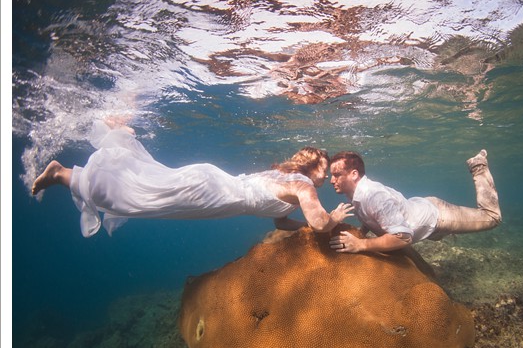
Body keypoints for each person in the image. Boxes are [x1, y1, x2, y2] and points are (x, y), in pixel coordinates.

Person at [31, 118, 353, 237]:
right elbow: (319, 223)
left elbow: (281, 222)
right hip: (212, 192)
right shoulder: (302, 185)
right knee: (136, 198)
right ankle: (61, 173)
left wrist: (304, 231)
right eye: (324, 166)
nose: (327, 174)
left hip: (213, 187)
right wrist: (333, 218)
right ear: (311, 166)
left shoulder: (289, 181)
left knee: (143, 189)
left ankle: (66, 174)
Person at [327, 149, 501, 254]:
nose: (331, 180)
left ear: (354, 174)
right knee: (437, 236)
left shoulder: (374, 196)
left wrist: (361, 244)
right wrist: (361, 231)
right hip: (420, 211)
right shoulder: (357, 194)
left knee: (492, 217)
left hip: (439, 216)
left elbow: (403, 238)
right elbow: (370, 215)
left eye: (336, 175)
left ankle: (478, 166)